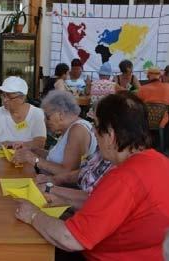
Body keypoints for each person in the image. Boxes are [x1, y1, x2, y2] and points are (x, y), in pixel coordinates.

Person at [15, 92, 169, 260]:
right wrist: (62, 198)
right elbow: (106, 205)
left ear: (110, 135)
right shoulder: (160, 162)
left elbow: (70, 238)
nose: (93, 131)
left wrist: (33, 215)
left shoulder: (124, 178)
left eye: (96, 125)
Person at [13, 90, 96, 175]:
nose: (45, 121)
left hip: (58, 186)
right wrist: (33, 150)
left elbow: (68, 173)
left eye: (48, 116)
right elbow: (55, 158)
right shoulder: (70, 128)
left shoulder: (77, 130)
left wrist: (34, 159)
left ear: (61, 114)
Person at [0, 76, 47, 149]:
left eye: (9, 97)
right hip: (3, 157)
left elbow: (40, 143)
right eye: (3, 95)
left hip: (28, 157)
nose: (4, 100)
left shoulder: (36, 113)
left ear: (22, 98)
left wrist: (12, 144)